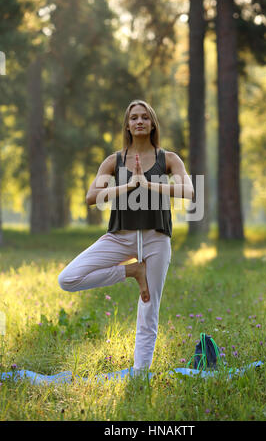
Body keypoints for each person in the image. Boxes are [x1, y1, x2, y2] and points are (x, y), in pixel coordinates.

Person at [58, 99, 194, 372]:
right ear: (127, 125)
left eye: (145, 117)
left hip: (156, 238)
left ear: (153, 123)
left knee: (148, 311)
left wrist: (149, 184)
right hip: (120, 237)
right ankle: (133, 272)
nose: (140, 121)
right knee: (68, 278)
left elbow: (189, 192)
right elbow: (91, 198)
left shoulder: (168, 159)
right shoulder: (113, 161)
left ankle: (139, 375)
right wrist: (129, 185)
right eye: (134, 118)